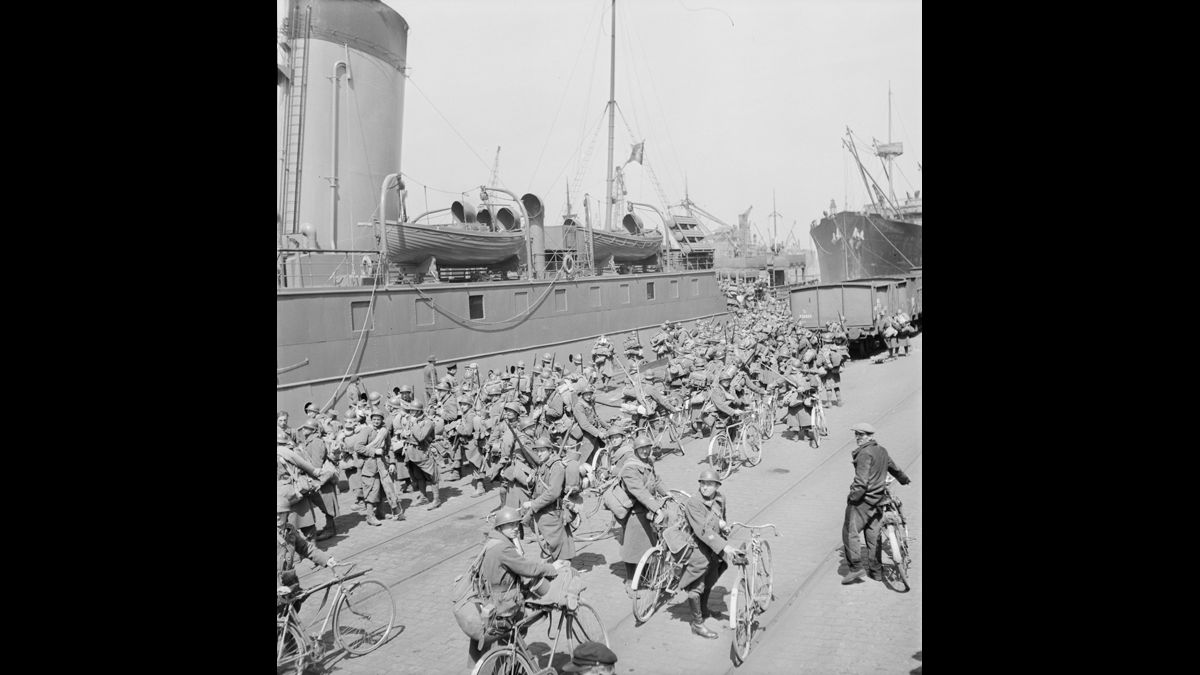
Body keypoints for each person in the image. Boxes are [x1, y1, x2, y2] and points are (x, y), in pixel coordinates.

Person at [468, 506, 566, 665]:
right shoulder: (502, 548)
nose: (515, 529)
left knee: (511, 639)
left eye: (516, 525)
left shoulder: (492, 541)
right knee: (536, 615)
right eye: (510, 525)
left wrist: (514, 541)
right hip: (506, 604)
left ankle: (514, 660)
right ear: (500, 527)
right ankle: (518, 662)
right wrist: (551, 568)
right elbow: (527, 568)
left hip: (492, 599)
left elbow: (518, 563)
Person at [841, 423, 912, 584]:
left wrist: (853, 498)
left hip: (864, 501)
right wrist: (904, 480)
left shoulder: (864, 454)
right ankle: (876, 571)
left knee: (850, 532)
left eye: (862, 434)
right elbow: (894, 468)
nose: (858, 437)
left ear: (870, 436)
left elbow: (861, 482)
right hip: (879, 499)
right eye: (857, 435)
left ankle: (856, 568)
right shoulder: (882, 450)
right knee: (873, 536)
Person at [678, 469, 740, 638]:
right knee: (695, 587)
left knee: (710, 578)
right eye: (702, 484)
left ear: (717, 486)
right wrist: (725, 546)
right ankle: (697, 624)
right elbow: (702, 530)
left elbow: (721, 518)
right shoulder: (694, 502)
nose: (705, 488)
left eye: (710, 484)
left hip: (713, 548)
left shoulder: (720, 498)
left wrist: (723, 526)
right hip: (698, 548)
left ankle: (704, 610)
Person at [617, 435, 669, 594]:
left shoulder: (648, 462)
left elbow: (656, 480)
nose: (645, 451)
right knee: (633, 548)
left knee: (649, 544)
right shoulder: (629, 468)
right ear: (635, 450)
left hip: (647, 509)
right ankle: (630, 582)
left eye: (648, 447)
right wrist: (657, 508)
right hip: (634, 511)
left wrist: (666, 493)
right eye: (642, 448)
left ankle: (645, 576)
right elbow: (638, 491)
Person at [278, 495, 338, 620]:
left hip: (288, 579)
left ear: (287, 513)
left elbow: (305, 547)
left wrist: (325, 559)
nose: (278, 517)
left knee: (294, 608)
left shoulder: (289, 530)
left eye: (281, 513)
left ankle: (288, 637)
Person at [521, 436, 576, 562]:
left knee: (560, 546)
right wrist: (530, 483)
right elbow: (540, 487)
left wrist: (533, 504)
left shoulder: (556, 466)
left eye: (542, 450)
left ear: (550, 450)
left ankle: (565, 574)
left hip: (553, 512)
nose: (539, 453)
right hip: (546, 510)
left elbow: (553, 492)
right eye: (537, 451)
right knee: (556, 544)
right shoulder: (544, 465)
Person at [353, 410, 401, 525]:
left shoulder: (384, 431)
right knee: (371, 491)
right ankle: (370, 516)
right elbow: (358, 447)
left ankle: (381, 512)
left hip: (383, 465)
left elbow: (389, 447)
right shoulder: (366, 431)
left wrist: (393, 463)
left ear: (382, 420)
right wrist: (374, 451)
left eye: (378, 419)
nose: (376, 421)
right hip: (369, 466)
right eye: (374, 419)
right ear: (371, 419)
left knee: (382, 490)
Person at [297, 419, 339, 541]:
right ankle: (328, 527)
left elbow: (316, 463)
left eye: (306, 428)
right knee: (323, 504)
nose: (303, 430)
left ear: (314, 430)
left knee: (326, 504)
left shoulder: (316, 442)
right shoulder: (309, 441)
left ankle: (331, 529)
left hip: (321, 479)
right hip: (318, 478)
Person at [402, 400, 441, 510]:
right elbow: (404, 432)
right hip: (412, 453)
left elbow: (420, 437)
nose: (412, 413)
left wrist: (413, 424)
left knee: (432, 476)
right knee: (418, 476)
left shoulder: (427, 422)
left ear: (419, 411)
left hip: (423, 452)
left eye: (414, 411)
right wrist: (403, 434)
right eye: (410, 411)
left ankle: (436, 499)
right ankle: (423, 497)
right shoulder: (410, 420)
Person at [569, 382, 606, 467]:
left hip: (593, 434)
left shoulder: (590, 403)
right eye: (586, 394)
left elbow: (597, 417)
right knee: (584, 458)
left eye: (590, 394)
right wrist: (598, 433)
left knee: (598, 455)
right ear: (582, 395)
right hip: (585, 436)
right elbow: (584, 424)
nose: (588, 396)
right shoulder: (579, 406)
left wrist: (607, 426)